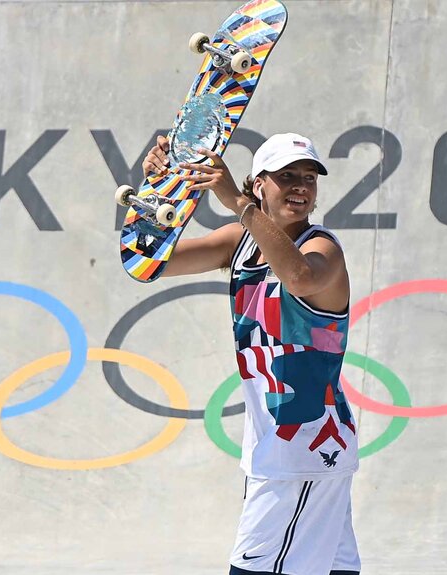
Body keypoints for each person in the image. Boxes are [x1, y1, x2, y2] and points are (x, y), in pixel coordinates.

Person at [142, 133, 361, 575]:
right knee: (336, 569)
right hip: (283, 444)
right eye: (286, 176)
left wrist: (240, 206)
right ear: (259, 183)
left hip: (302, 447)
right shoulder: (238, 242)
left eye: (309, 178)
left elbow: (300, 277)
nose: (301, 186)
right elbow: (151, 261)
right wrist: (158, 191)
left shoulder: (322, 248)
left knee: (253, 570)